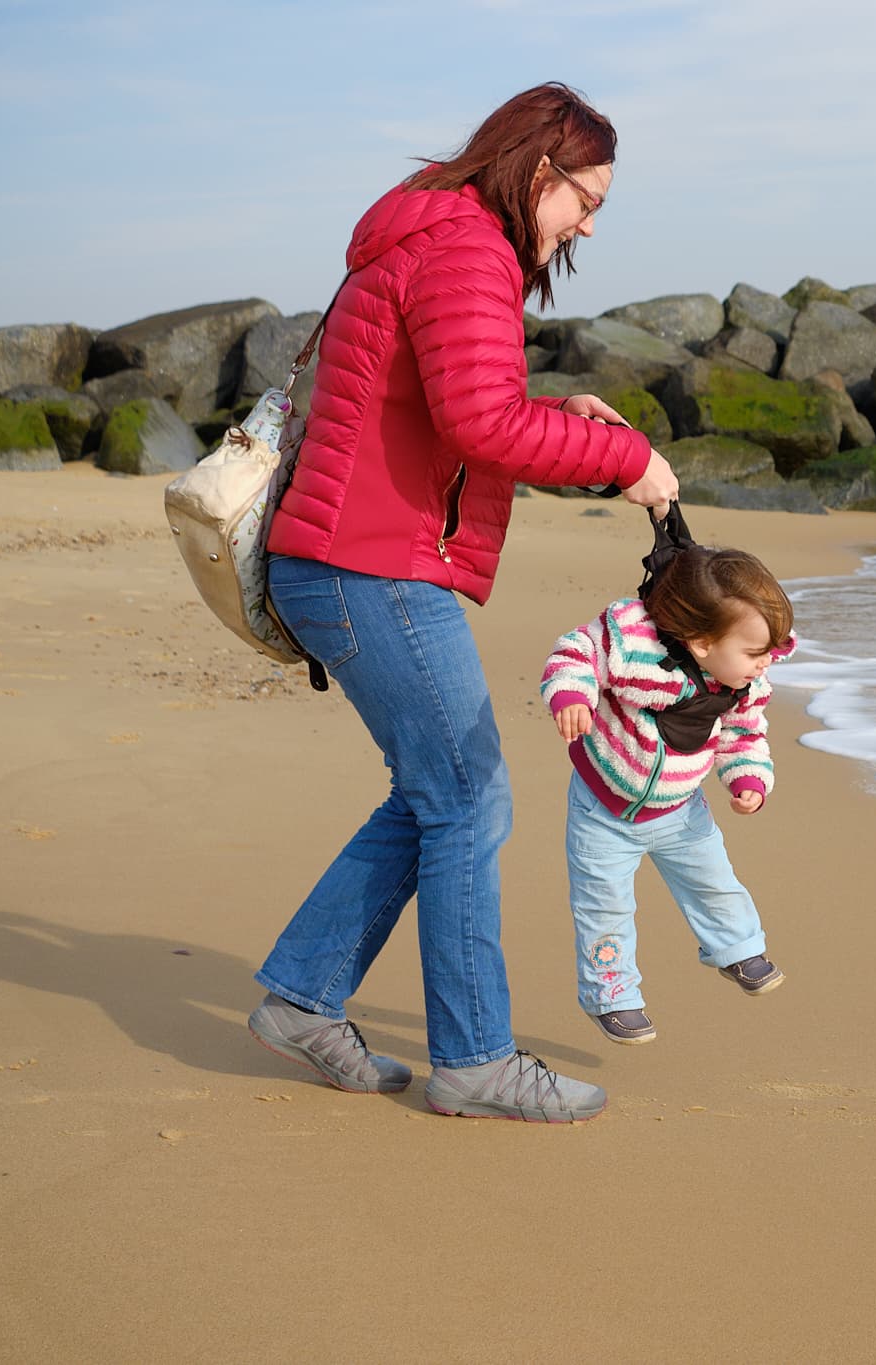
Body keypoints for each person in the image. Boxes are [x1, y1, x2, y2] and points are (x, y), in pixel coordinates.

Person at [245, 83, 678, 1123]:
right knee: (467, 798)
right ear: (540, 170)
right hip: (370, 566)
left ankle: (302, 999)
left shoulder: (430, 236)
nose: (585, 225)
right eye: (586, 201)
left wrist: (556, 410)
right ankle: (476, 1058)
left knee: (433, 791)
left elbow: (447, 406)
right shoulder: (469, 251)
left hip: (349, 558)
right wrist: (627, 460)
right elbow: (483, 428)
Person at [540, 541, 795, 1045]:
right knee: (604, 908)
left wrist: (747, 780)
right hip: (604, 809)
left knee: (714, 882)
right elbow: (578, 652)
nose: (765, 665)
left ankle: (738, 950)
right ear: (702, 642)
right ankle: (612, 995)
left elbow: (744, 735)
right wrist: (572, 694)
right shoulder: (637, 651)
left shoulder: (745, 683)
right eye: (754, 652)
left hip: (681, 809)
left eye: (772, 652)